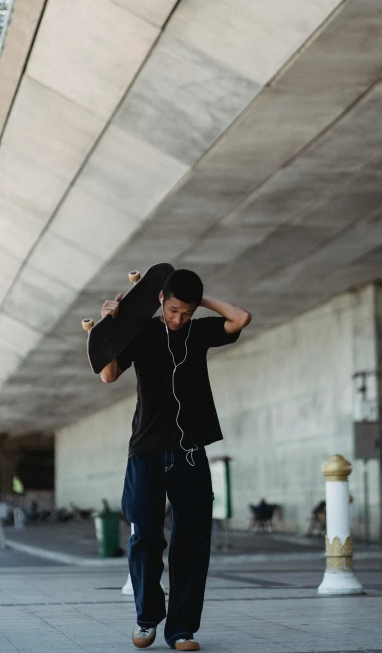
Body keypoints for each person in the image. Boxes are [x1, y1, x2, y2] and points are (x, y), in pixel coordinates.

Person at [100, 269, 251, 651]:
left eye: (185, 311)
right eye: (172, 309)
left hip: (189, 453)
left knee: (193, 541)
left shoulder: (198, 332)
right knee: (146, 537)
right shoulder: (143, 331)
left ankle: (181, 629)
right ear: (160, 301)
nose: (178, 319)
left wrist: (200, 302)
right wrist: (107, 327)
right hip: (146, 453)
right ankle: (146, 619)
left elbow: (240, 319)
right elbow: (108, 374)